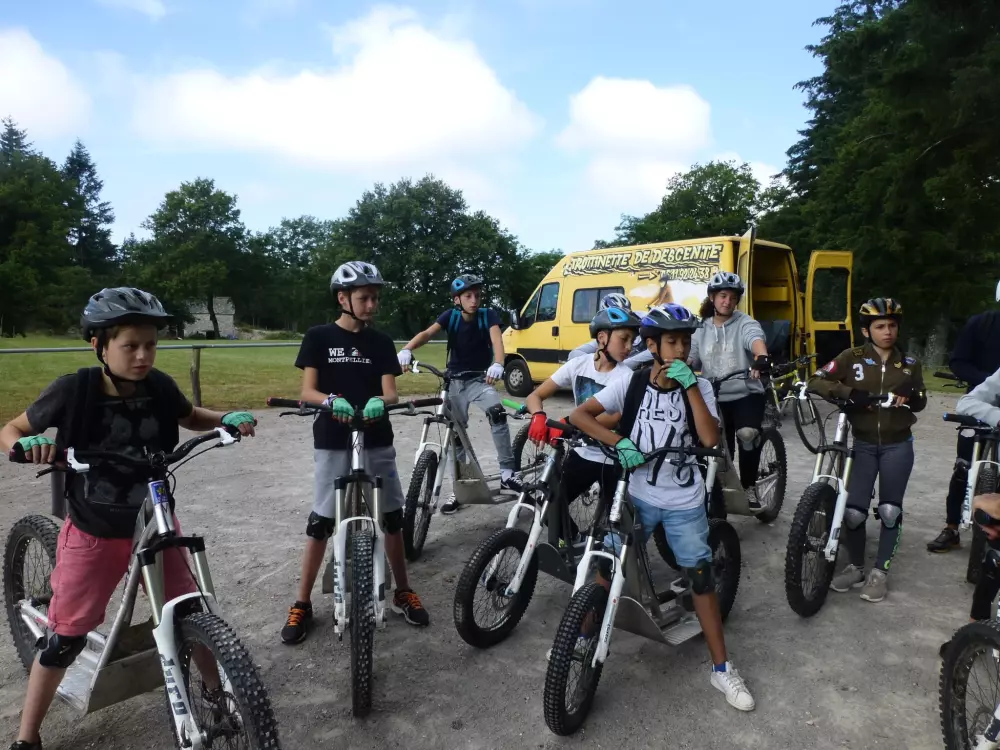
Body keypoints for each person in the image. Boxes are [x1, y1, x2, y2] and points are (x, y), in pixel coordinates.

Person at [0, 287, 258, 750]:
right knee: (66, 638)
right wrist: (23, 444)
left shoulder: (158, 385)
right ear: (99, 345)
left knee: (191, 611)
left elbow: (190, 415)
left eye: (151, 345)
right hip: (94, 530)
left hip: (156, 522)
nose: (142, 356)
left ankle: (217, 696)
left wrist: (226, 418)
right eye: (130, 346)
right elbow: (13, 428)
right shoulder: (73, 390)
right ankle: (27, 735)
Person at [569, 303, 756, 712]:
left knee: (701, 577)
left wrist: (691, 387)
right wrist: (619, 442)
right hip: (636, 493)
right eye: (672, 341)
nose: (682, 349)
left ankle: (722, 668)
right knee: (606, 567)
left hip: (684, 499)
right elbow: (580, 415)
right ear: (652, 345)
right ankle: (579, 642)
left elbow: (709, 439)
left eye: (686, 341)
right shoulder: (632, 382)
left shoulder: (700, 387)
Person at [281, 261, 428, 646]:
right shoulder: (318, 337)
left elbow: (390, 393)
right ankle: (302, 603)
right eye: (365, 298)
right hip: (333, 436)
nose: (372, 305)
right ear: (342, 298)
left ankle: (402, 591)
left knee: (391, 517)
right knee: (322, 520)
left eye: (375, 297)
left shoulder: (381, 342)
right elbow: (307, 392)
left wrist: (381, 401)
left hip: (376, 436)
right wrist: (331, 400)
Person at [808, 297, 926, 603]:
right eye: (880, 326)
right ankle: (856, 567)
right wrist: (849, 393)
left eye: (892, 325)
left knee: (889, 510)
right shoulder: (852, 357)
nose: (887, 331)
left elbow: (921, 401)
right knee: (854, 512)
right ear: (866, 330)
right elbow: (816, 380)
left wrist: (910, 393)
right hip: (862, 444)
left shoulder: (910, 364)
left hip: (898, 445)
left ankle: (879, 572)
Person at [397, 273, 522, 514]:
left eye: (477, 295)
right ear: (457, 300)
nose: (474, 300)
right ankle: (462, 487)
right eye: (468, 296)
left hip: (479, 380)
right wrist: (407, 348)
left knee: (497, 412)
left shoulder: (488, 315)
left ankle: (507, 474)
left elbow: (497, 341)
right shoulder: (450, 316)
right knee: (455, 434)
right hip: (453, 382)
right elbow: (427, 334)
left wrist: (498, 363)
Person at [524, 305, 642, 540]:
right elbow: (535, 395)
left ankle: (609, 553)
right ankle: (576, 541)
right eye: (624, 339)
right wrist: (538, 416)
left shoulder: (626, 376)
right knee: (549, 505)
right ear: (602, 337)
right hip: (583, 453)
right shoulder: (578, 364)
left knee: (619, 526)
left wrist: (568, 424)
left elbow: (614, 417)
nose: (629, 347)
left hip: (613, 457)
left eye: (632, 341)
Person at [927, 299, 1000, 552]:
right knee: (963, 466)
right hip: (980, 400)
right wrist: (989, 382)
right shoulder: (981, 324)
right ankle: (952, 527)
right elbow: (958, 362)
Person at [692, 272, 770, 506]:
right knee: (713, 445)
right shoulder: (700, 328)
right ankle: (716, 491)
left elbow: (754, 339)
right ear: (712, 297)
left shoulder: (745, 322)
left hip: (745, 393)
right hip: (713, 396)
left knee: (747, 434)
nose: (727, 302)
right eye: (723, 296)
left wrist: (761, 358)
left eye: (733, 298)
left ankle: (749, 487)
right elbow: (692, 357)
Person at [567, 293, 645, 363]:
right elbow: (574, 354)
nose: (629, 347)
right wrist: (599, 361)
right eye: (623, 339)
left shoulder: (640, 323)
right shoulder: (606, 338)